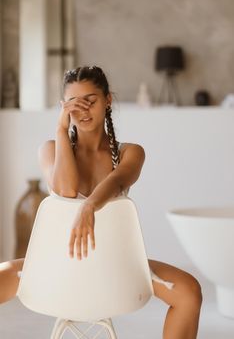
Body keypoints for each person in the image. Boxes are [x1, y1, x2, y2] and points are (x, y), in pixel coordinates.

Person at [0, 65, 202, 338]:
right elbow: (67, 190)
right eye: (74, 104)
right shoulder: (50, 149)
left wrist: (90, 205)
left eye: (91, 101)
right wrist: (61, 131)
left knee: (189, 292)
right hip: (55, 265)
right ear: (64, 108)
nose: (83, 111)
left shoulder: (130, 152)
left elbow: (119, 180)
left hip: (114, 266)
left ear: (108, 100)